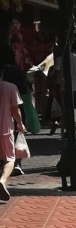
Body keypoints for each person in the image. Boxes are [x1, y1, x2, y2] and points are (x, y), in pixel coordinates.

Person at [0, 47, 29, 176]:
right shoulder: (16, 71)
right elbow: (24, 89)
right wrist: (20, 123)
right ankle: (16, 162)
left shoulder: (3, 71)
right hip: (14, 103)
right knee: (15, 133)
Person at [0, 74, 23, 203]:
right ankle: (3, 180)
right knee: (9, 159)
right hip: (5, 129)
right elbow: (15, 109)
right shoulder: (10, 87)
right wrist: (20, 124)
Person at [53, 45, 76, 123]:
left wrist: (54, 87)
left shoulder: (59, 59)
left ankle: (61, 122)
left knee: (65, 108)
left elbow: (57, 75)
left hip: (64, 88)